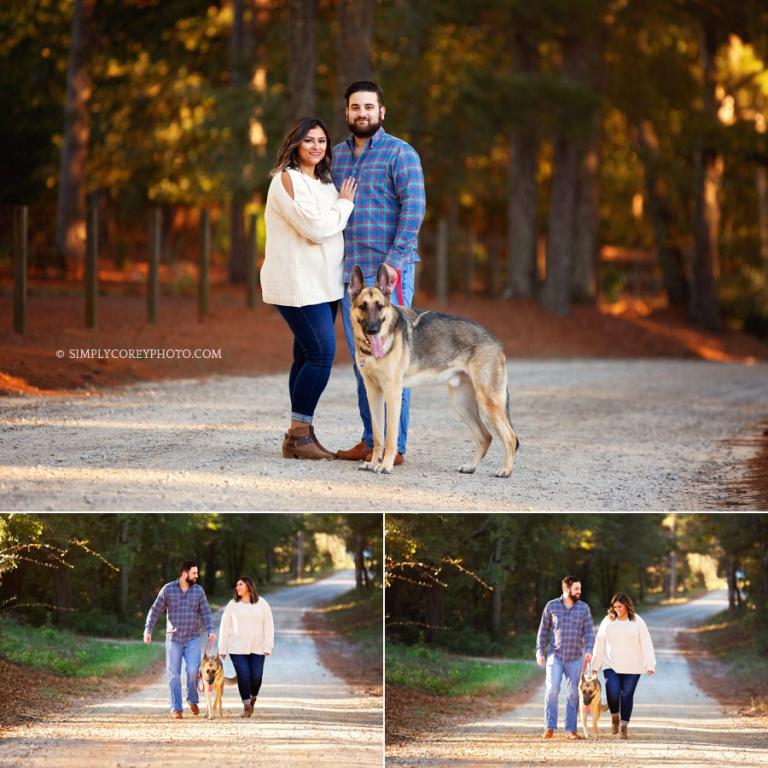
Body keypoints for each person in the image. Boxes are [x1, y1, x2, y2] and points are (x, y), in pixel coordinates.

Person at [333, 80, 426, 467]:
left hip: (390, 273)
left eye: (369, 107)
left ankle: (396, 446)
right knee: (363, 360)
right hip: (349, 275)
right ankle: (371, 440)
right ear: (347, 112)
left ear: (381, 112)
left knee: (392, 361)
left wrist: (396, 259)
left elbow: (414, 207)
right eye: (356, 107)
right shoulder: (335, 157)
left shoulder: (400, 153)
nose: (362, 114)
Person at [261, 116, 358, 460]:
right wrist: (344, 205)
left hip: (326, 284)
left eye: (321, 141)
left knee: (304, 355)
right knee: (321, 355)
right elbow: (316, 229)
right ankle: (299, 435)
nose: (316, 146)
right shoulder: (285, 181)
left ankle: (299, 435)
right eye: (309, 140)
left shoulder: (325, 183)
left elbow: (329, 228)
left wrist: (338, 204)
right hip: (297, 283)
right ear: (295, 144)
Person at [143, 560, 215, 719]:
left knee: (192, 671)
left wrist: (210, 629)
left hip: (193, 638)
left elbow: (206, 612)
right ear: (184, 573)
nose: (197, 576)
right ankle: (176, 707)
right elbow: (155, 610)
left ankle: (192, 699)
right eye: (194, 573)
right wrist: (148, 629)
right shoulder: (168, 589)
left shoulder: (198, 591)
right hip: (173, 638)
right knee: (174, 674)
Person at [536, 575, 595, 740]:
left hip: (576, 657)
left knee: (573, 693)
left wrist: (589, 649)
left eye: (580, 589)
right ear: (566, 589)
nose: (579, 592)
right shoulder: (552, 606)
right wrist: (540, 651)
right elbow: (543, 630)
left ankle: (571, 729)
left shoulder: (584, 608)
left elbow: (589, 632)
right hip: (555, 655)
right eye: (576, 588)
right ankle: (549, 727)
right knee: (552, 689)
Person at [591, 592, 656, 740]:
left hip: (633, 666)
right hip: (611, 664)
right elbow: (599, 642)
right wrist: (595, 665)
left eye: (620, 606)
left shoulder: (637, 621)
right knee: (612, 690)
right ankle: (615, 718)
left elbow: (646, 643)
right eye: (615, 607)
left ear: (627, 605)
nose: (617, 610)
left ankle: (624, 726)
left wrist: (650, 664)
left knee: (627, 695)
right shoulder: (607, 621)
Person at [218, 576, 275, 718]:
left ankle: (253, 698)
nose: (237, 587)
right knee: (244, 675)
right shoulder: (232, 605)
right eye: (236, 585)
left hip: (258, 647)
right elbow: (224, 627)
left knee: (256, 677)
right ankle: (246, 706)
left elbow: (269, 625)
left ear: (249, 586)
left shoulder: (262, 604)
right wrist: (222, 648)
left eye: (240, 585)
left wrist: (268, 645)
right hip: (236, 648)